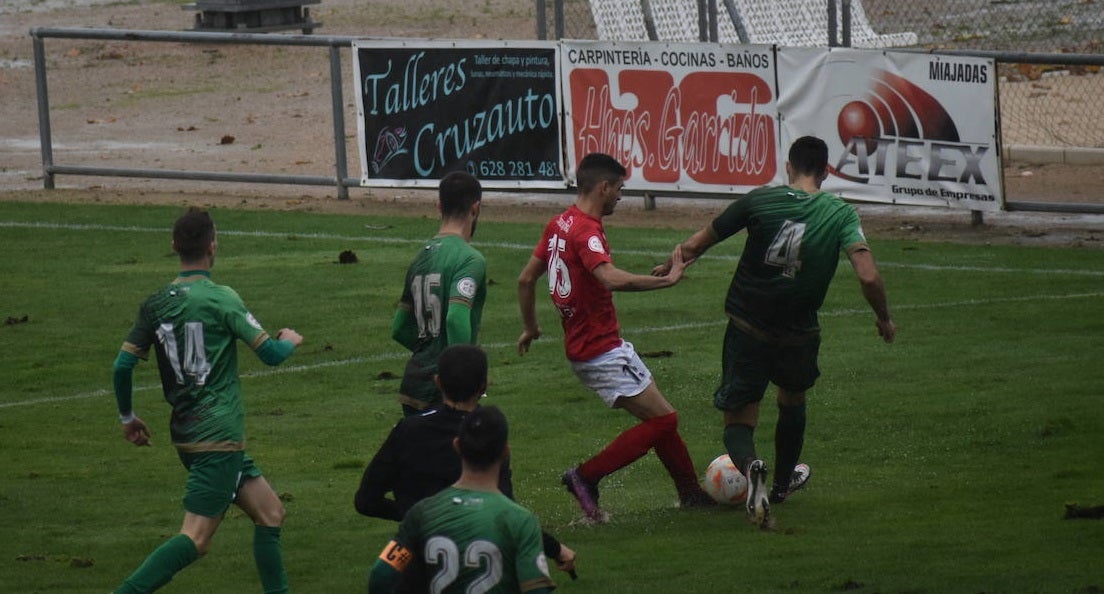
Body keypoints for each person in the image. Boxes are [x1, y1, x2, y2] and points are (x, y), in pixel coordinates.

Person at [655, 135, 896, 528]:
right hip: (799, 333)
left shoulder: (759, 200)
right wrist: (884, 317)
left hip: (748, 327)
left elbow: (696, 244)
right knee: (792, 400)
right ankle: (782, 486)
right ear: (826, 171)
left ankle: (751, 468)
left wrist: (673, 266)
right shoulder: (841, 214)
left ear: (789, 166)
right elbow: (868, 276)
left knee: (738, 420)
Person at [110, 207, 304, 593]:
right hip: (219, 437)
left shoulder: (155, 304)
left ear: (174, 247)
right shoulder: (221, 299)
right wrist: (290, 340)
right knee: (196, 538)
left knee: (270, 513)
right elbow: (271, 355)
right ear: (213, 246)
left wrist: (128, 417)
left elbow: (121, 366)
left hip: (187, 435)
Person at [516, 152, 714, 523]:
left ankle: (691, 494)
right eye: (620, 188)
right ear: (603, 187)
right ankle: (585, 476)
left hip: (592, 346)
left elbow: (526, 279)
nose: (621, 196)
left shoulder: (559, 223)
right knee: (664, 422)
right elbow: (609, 278)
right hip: (599, 349)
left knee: (663, 416)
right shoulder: (585, 230)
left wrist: (531, 327)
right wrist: (666, 280)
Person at [354, 344, 576, 576]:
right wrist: (556, 549)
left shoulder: (408, 430)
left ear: (438, 382)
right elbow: (505, 514)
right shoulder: (488, 433)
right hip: (478, 565)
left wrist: (414, 516)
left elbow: (366, 501)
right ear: (484, 386)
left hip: (417, 563)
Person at [368, 405, 557, 594]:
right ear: (506, 452)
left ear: (457, 445)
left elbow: (381, 575)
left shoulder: (422, 514)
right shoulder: (520, 520)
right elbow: (537, 591)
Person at [391, 171, 486, 416]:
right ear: (475, 208)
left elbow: (400, 328)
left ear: (439, 206)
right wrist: (462, 379)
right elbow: (456, 317)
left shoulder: (421, 257)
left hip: (413, 385)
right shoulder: (470, 259)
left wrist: (429, 350)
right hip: (443, 392)